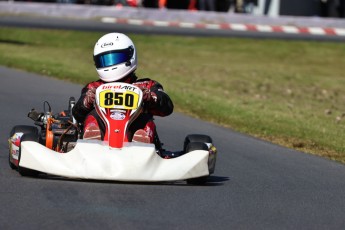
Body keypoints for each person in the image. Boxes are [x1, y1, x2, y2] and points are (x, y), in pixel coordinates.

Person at [72, 33, 174, 147]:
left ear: (130, 56)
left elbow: (167, 107)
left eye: (116, 58)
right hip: (102, 136)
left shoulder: (146, 85)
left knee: (145, 119)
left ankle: (142, 143)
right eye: (105, 60)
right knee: (93, 115)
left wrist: (151, 97)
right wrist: (86, 102)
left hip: (134, 130)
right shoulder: (94, 87)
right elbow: (77, 114)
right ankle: (92, 140)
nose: (111, 64)